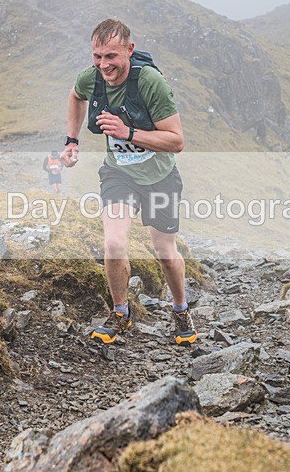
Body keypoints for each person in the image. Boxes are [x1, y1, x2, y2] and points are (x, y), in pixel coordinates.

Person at [60, 18, 196, 346]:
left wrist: (128, 133)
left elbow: (176, 141)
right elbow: (76, 96)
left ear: (129, 51)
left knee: (165, 251)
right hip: (118, 173)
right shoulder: (91, 78)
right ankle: (121, 312)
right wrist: (72, 140)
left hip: (160, 176)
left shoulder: (150, 82)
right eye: (97, 57)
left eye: (111, 56)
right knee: (114, 244)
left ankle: (180, 309)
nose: (104, 65)